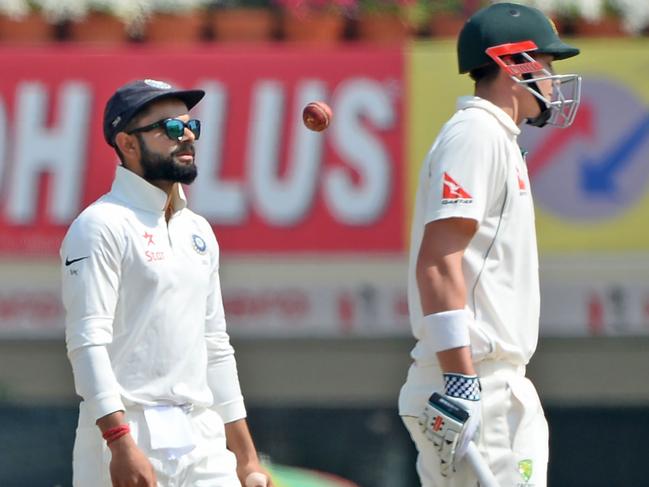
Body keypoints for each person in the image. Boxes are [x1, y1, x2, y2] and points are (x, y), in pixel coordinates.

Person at [398, 3, 581, 486]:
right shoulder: (476, 133)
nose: (551, 77)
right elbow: (439, 260)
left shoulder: (495, 137)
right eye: (546, 62)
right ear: (512, 63)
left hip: (487, 381)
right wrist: (460, 380)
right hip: (474, 381)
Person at [61, 79, 272, 487]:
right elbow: (86, 344)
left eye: (192, 127)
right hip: (127, 434)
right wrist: (120, 443)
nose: (187, 136)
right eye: (171, 129)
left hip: (203, 438)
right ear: (128, 143)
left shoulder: (199, 230)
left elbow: (215, 345)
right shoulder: (99, 226)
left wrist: (246, 458)